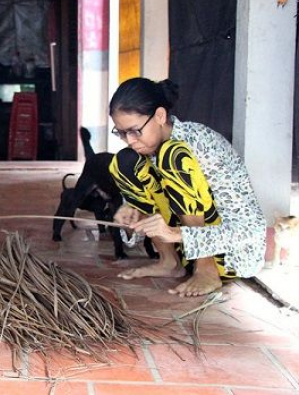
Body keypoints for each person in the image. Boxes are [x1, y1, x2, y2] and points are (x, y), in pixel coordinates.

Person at [108, 77, 266, 297]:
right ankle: (169, 262)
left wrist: (176, 233)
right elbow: (153, 201)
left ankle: (207, 270)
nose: (130, 140)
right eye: (121, 133)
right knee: (124, 162)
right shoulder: (144, 151)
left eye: (135, 131)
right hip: (185, 248)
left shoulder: (199, 144)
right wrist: (132, 210)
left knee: (172, 157)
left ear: (160, 116)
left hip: (230, 253)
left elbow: (250, 229)